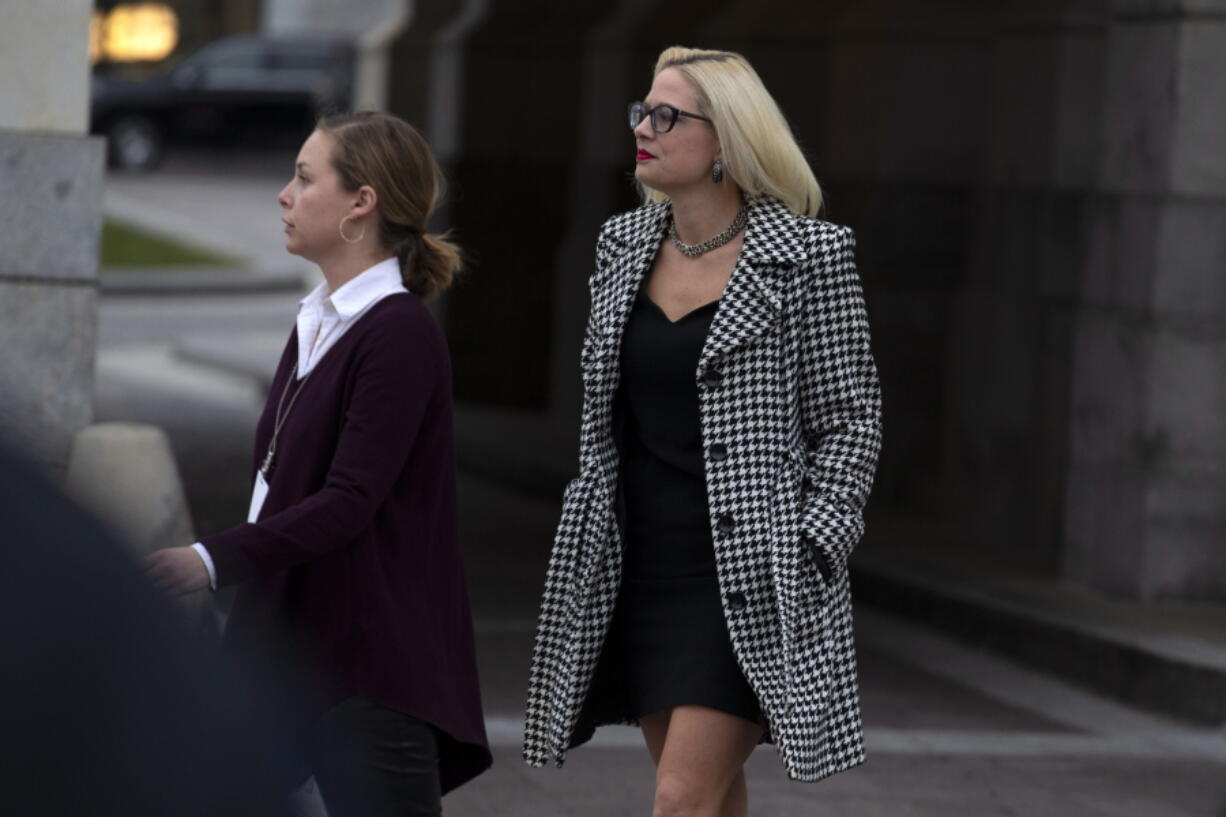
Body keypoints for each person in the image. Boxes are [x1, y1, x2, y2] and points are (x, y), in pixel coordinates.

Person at [524, 46, 882, 816]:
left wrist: (812, 546)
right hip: (638, 564)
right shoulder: (620, 247)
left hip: (747, 575)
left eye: (666, 116)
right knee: (710, 799)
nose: (643, 129)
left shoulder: (811, 256)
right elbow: (603, 421)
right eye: (641, 113)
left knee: (679, 797)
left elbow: (850, 422)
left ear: (725, 139)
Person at [145, 111, 491, 817]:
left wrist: (208, 560)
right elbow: (279, 491)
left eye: (305, 178)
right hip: (288, 656)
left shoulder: (397, 334)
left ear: (361, 203)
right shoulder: (320, 322)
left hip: (366, 673)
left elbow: (347, 500)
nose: (284, 194)